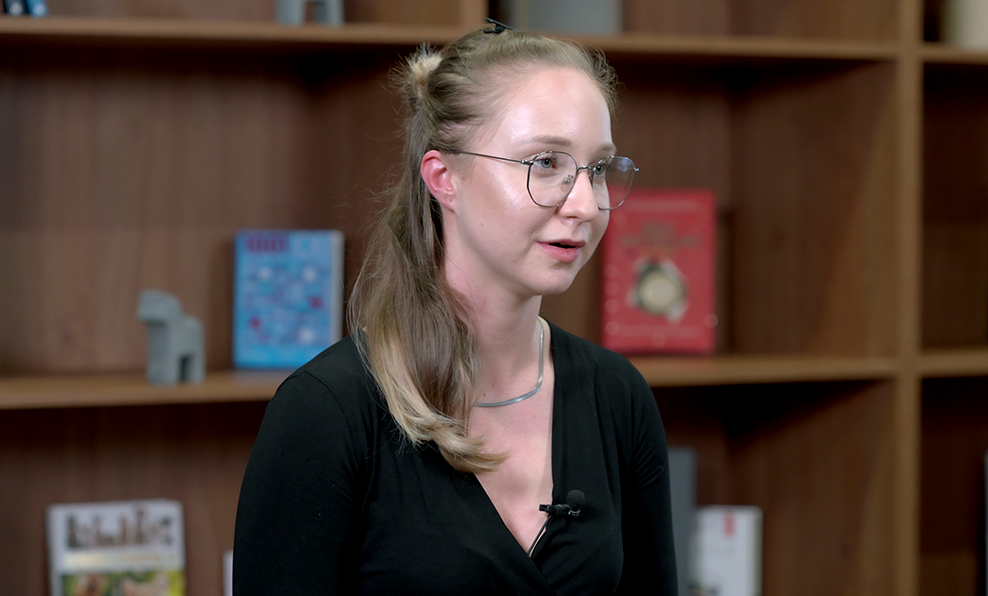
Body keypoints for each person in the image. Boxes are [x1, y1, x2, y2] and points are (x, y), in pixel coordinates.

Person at [234, 19, 677, 596]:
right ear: (444, 177)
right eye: (545, 163)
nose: (585, 205)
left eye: (598, 170)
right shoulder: (328, 413)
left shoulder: (617, 397)